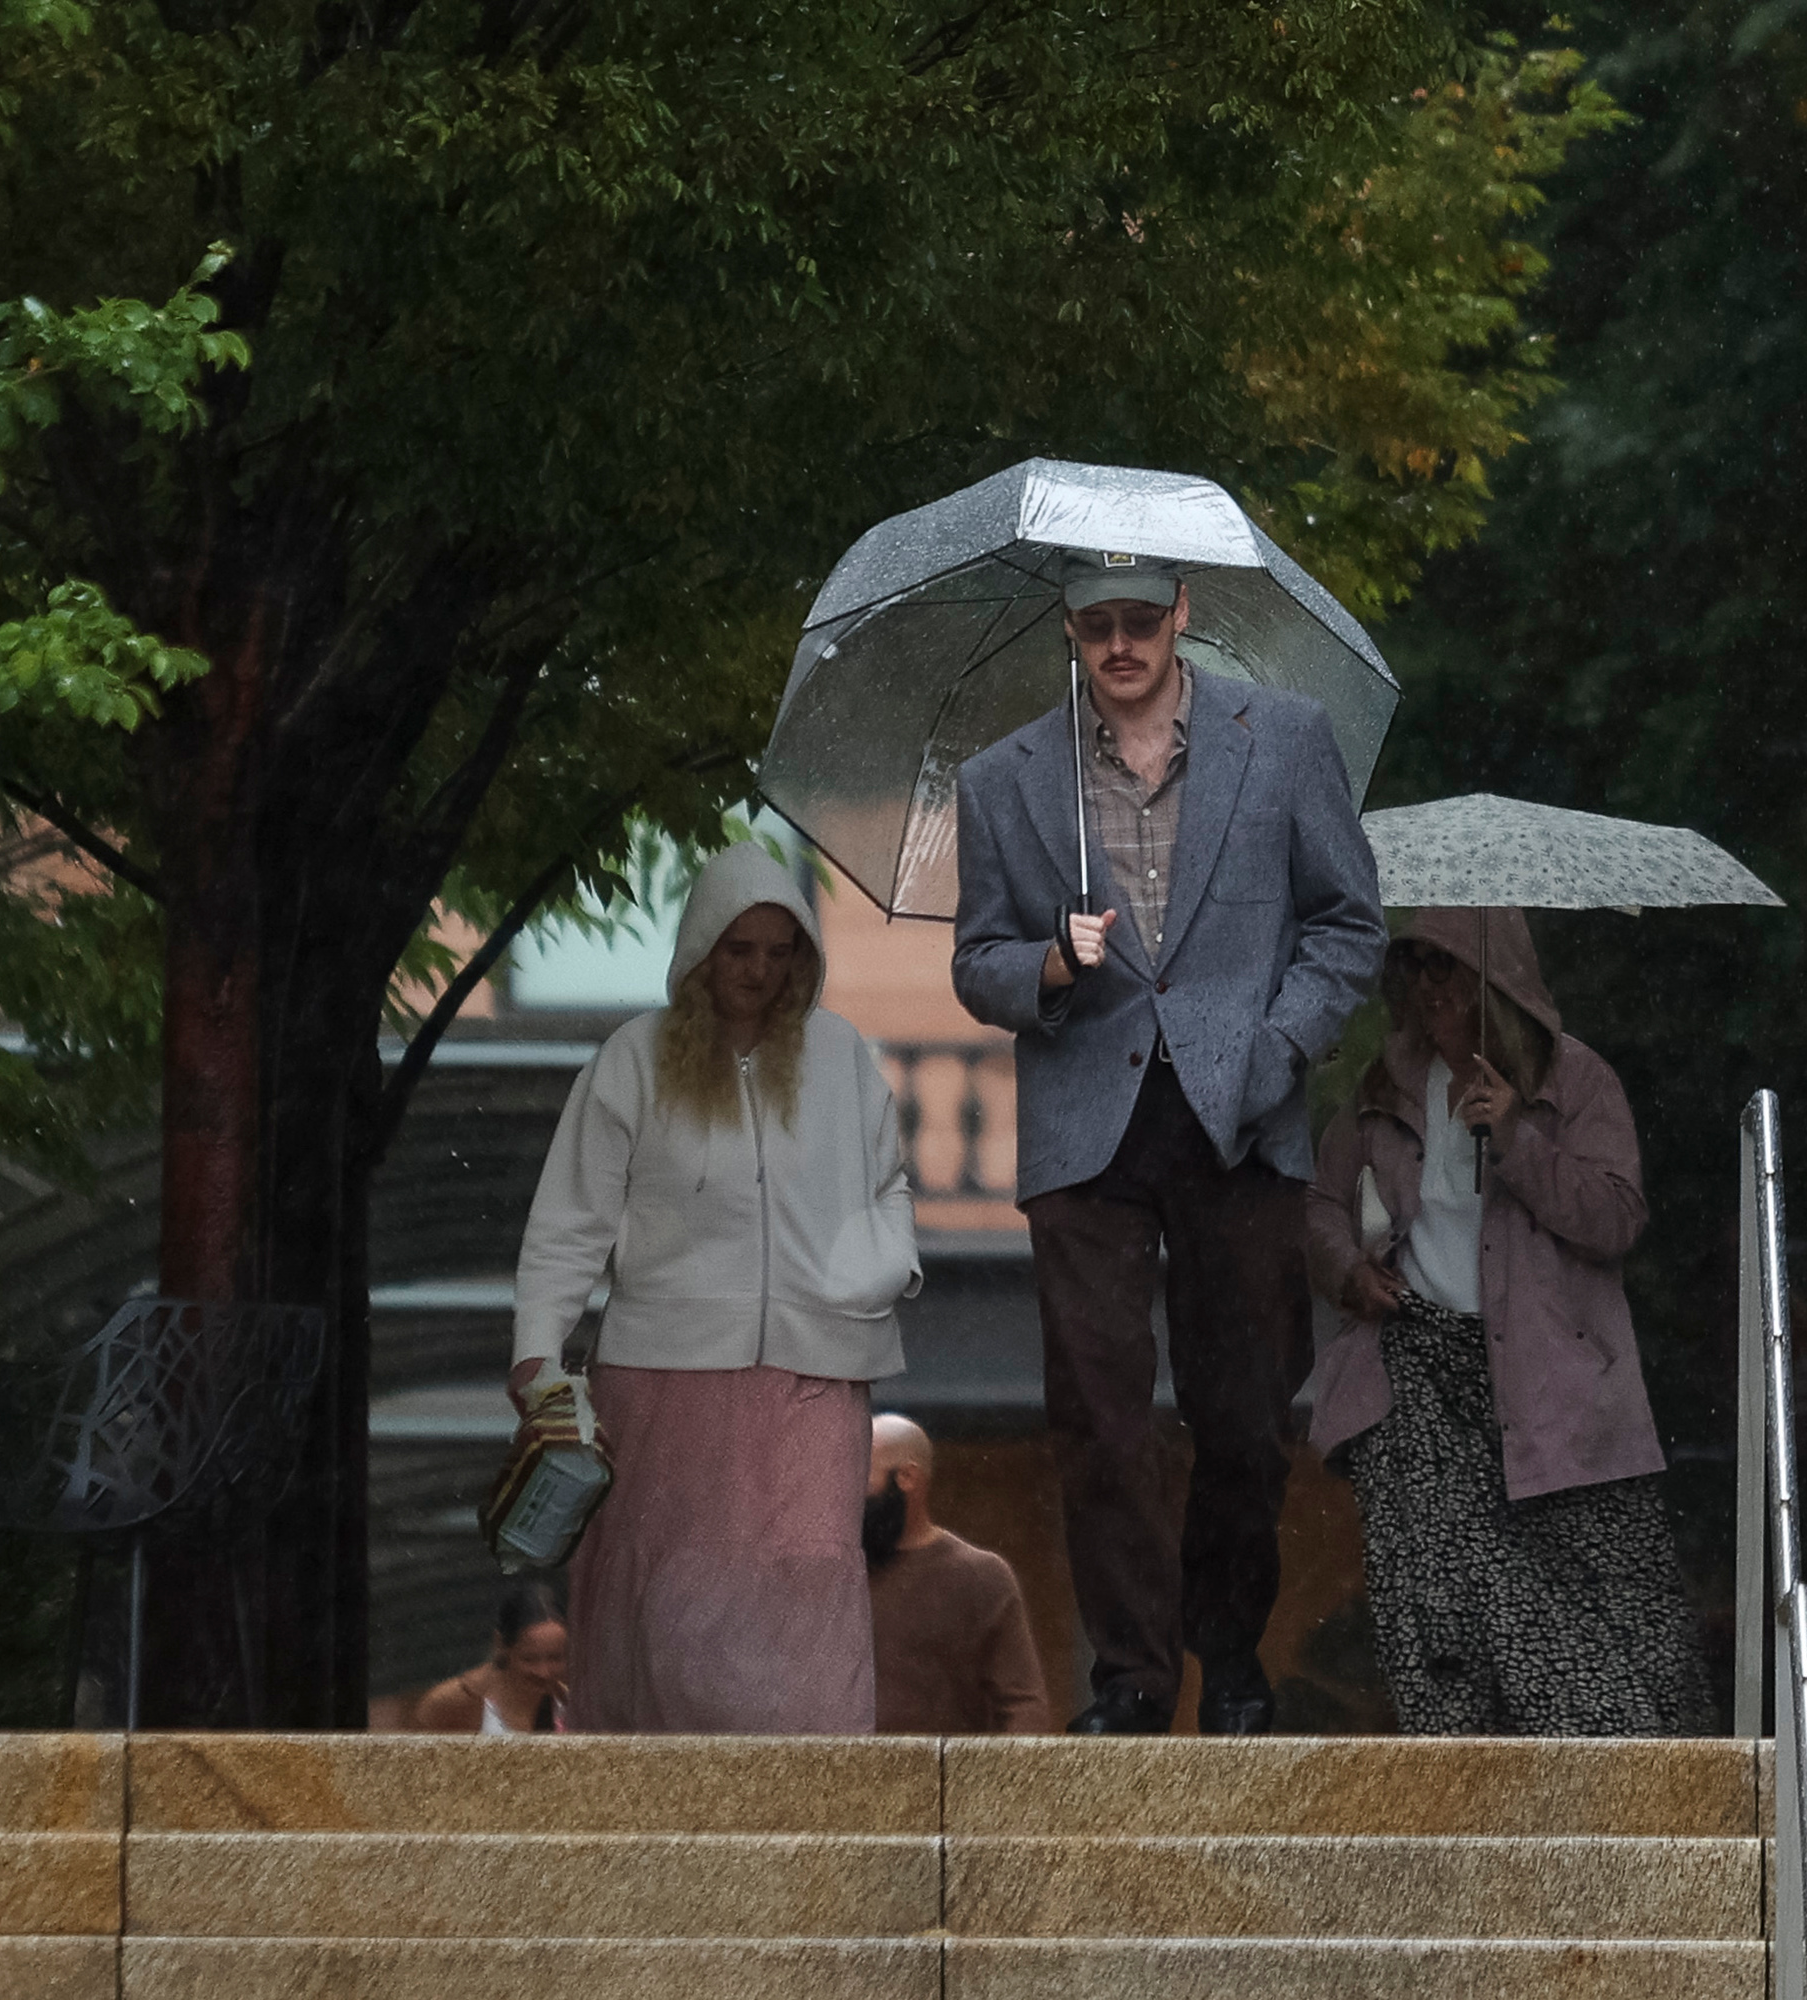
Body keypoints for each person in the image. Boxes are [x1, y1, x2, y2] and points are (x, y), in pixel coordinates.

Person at [953, 549, 1385, 1735]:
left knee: (1243, 1413)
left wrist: (1281, 1044)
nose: (1121, 644)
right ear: (1069, 630)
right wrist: (1048, 961)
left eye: (1143, 619)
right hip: (1085, 1120)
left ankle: (1230, 1650)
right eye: (1096, 625)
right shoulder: (1004, 778)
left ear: (1185, 613)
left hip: (1238, 1106)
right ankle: (1134, 1678)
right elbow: (974, 961)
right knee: (1098, 1413)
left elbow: (1351, 921)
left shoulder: (1284, 738)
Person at [508, 841, 922, 1733]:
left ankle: (811, 1803)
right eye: (740, 951)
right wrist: (537, 1355)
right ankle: (677, 1815)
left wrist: (882, 1266)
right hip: (664, 1379)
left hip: (820, 1369)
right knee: (677, 1603)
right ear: (701, 949)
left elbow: (889, 1181)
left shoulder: (841, 1056)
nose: (761, 972)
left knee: (810, 1576)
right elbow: (569, 1221)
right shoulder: (634, 1059)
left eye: (781, 953)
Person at [1304, 909, 1713, 1735]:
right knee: (1439, 1589)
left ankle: (1628, 1766)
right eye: (1413, 967)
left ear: (1496, 978)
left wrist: (1518, 1138)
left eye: (1446, 966)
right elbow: (1320, 1206)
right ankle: (1464, 1761)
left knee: (1604, 1607)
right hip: (1420, 1364)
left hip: (1552, 1380)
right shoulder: (1384, 1083)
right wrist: (1348, 1271)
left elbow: (1615, 1219)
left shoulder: (1576, 1081)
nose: (1429, 987)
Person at [863, 1414, 1051, 1734]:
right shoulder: (838, 1577)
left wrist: (1006, 1781)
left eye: (861, 1479)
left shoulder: (977, 1575)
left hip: (946, 1777)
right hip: (839, 1776)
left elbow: (1024, 1707)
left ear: (906, 1477)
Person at [410, 1584, 567, 1734]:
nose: (544, 1672)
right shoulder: (454, 1703)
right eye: (529, 1659)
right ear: (502, 1645)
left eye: (555, 1658)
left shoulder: (568, 1702)